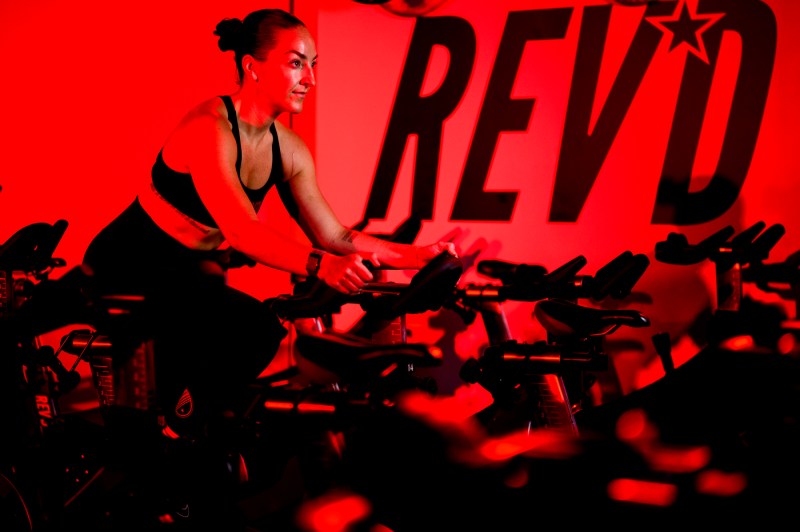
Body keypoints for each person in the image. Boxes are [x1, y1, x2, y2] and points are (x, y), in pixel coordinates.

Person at [81, 8, 456, 526]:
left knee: (253, 336)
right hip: (129, 266)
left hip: (188, 274)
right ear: (252, 66)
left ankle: (189, 448)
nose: (311, 78)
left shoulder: (289, 148)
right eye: (297, 63)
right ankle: (173, 434)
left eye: (313, 65)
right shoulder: (208, 126)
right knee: (249, 331)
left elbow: (337, 235)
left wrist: (421, 257)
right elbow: (243, 232)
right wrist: (320, 266)